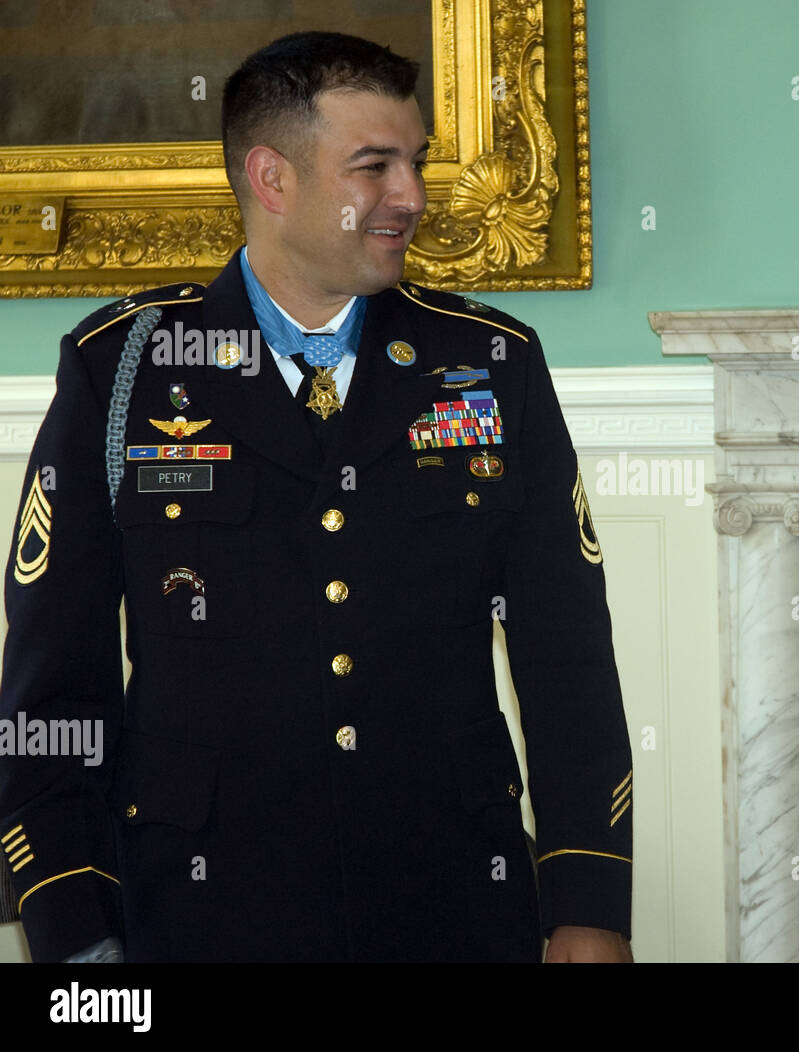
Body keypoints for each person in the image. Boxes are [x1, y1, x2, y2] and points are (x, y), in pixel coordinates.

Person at [0, 31, 633, 963]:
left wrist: (587, 900)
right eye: (373, 166)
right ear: (272, 178)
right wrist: (73, 929)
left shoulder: (488, 361)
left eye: (413, 161)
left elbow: (567, 657)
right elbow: (57, 687)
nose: (412, 194)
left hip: (451, 897)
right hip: (197, 913)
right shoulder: (124, 368)